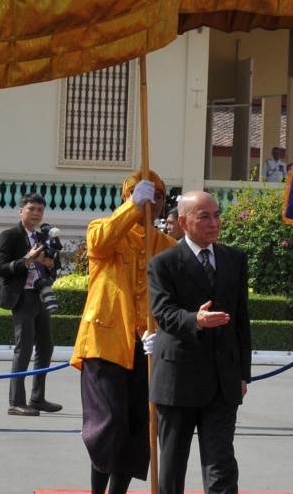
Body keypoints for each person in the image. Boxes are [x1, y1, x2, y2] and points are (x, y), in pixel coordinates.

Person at [71, 171, 175, 494]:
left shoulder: (166, 246)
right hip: (104, 343)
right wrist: (132, 207)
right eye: (145, 193)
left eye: (158, 196)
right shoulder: (104, 231)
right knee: (109, 424)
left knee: (138, 428)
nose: (152, 201)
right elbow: (100, 243)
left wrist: (165, 335)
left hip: (145, 348)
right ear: (127, 196)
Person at [148, 191, 252, 494]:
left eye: (216, 215)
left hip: (223, 380)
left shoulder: (234, 259)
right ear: (183, 221)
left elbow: (241, 321)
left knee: (221, 465)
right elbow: (163, 313)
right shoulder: (163, 263)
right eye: (204, 216)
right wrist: (195, 320)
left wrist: (243, 373)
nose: (213, 223)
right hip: (177, 380)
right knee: (172, 466)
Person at [0, 192, 61, 416]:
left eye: (39, 210)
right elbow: (1, 268)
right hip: (21, 297)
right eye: (31, 209)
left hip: (41, 295)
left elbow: (55, 265)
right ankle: (16, 402)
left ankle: (37, 398)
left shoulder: (43, 237)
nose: (35, 214)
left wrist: (50, 263)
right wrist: (27, 260)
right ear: (21, 211)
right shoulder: (9, 235)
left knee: (46, 347)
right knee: (23, 349)